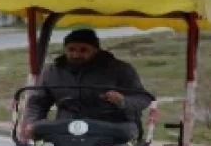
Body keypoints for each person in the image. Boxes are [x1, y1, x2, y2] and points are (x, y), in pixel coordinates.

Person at [22, 28, 153, 137]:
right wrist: (33, 123)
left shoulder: (119, 69)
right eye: (71, 49)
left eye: (83, 50)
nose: (76, 55)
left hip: (110, 129)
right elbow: (37, 102)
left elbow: (142, 98)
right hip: (67, 129)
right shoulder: (52, 71)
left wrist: (122, 100)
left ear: (96, 50)